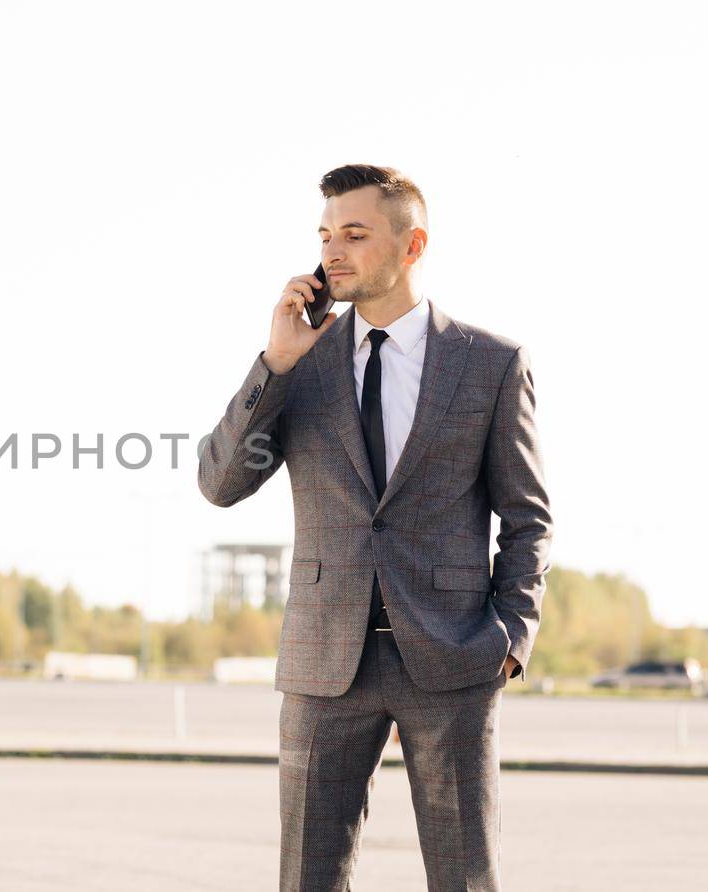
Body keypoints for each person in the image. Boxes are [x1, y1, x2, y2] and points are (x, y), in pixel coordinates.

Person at [196, 164, 553, 891]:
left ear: (412, 244)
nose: (333, 252)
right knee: (307, 880)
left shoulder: (490, 364)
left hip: (453, 659)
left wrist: (508, 642)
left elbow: (527, 519)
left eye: (355, 234)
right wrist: (273, 364)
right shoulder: (300, 361)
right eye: (326, 235)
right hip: (325, 663)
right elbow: (221, 482)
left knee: (466, 878)